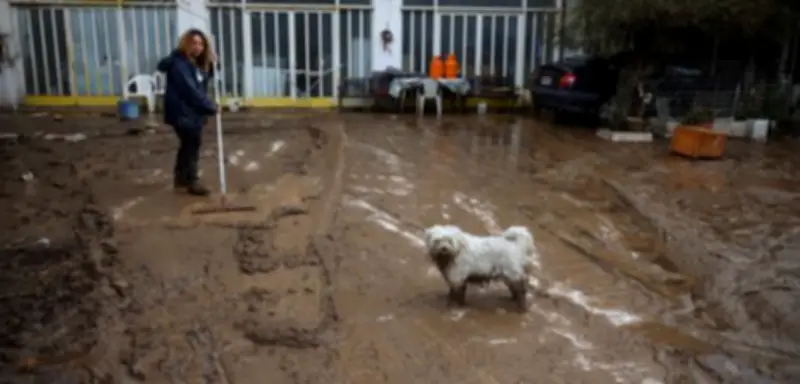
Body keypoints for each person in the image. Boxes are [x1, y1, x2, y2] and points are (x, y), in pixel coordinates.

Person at [157, 28, 218, 196]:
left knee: (187, 145)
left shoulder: (192, 63)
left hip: (189, 112)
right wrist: (210, 106)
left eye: (201, 44)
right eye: (194, 43)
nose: (198, 47)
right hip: (183, 112)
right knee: (192, 145)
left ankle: (181, 179)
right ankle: (192, 181)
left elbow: (201, 80)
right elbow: (191, 91)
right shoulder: (180, 64)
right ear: (186, 44)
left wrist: (212, 66)